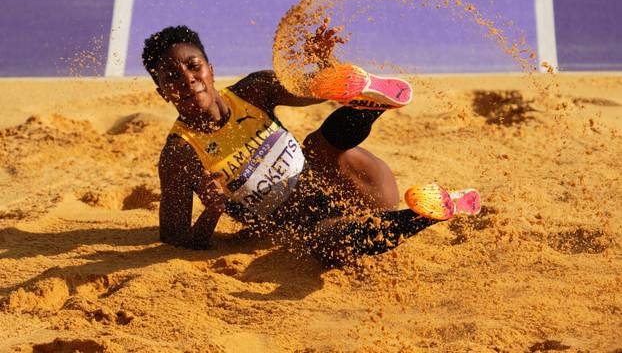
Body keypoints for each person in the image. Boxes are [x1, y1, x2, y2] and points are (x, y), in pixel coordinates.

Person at [141, 24, 480, 265]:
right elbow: (176, 240)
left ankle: (373, 104)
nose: (187, 78)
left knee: (316, 148)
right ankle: (434, 211)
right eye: (172, 76)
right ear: (162, 93)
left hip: (357, 185)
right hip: (310, 226)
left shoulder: (254, 91)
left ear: (210, 70)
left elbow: (313, 91)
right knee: (324, 241)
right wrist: (213, 211)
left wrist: (325, 67)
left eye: (192, 66)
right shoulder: (180, 154)